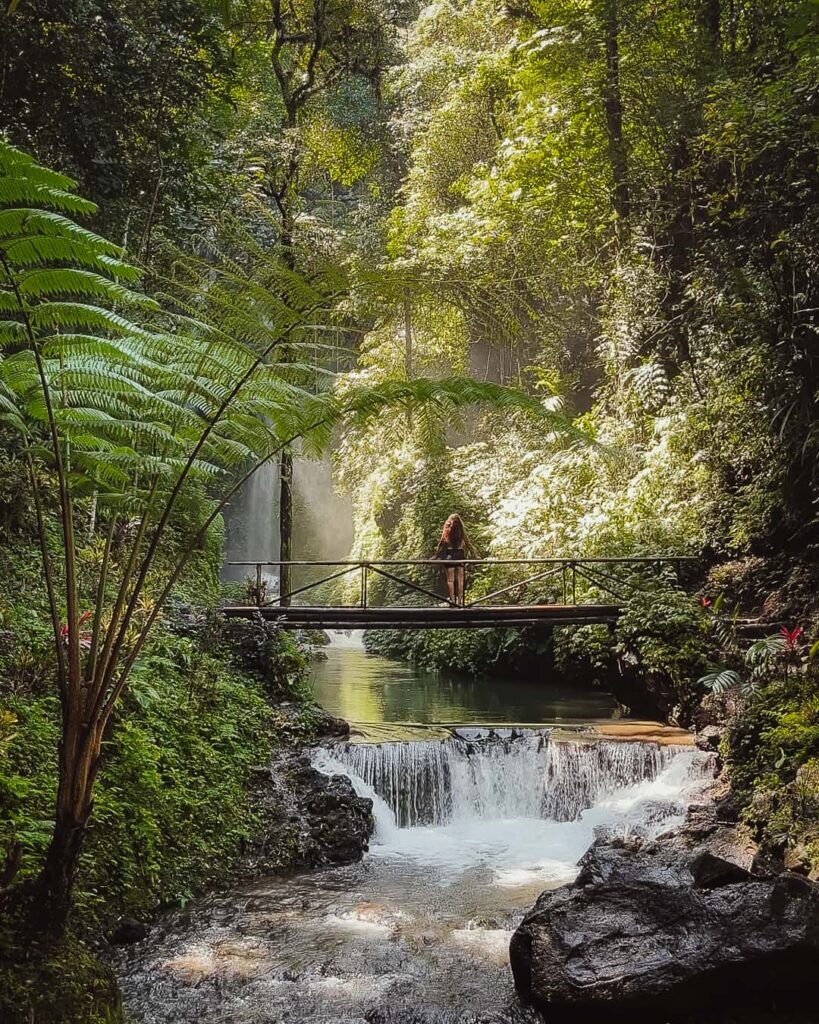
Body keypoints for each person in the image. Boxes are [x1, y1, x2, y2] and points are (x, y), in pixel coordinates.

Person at [433, 513, 480, 606]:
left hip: (450, 555)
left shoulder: (447, 529)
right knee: (460, 580)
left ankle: (452, 600)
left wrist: (436, 555)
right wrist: (475, 554)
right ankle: (460, 602)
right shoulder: (461, 531)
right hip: (459, 555)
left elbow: (441, 544)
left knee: (450, 580)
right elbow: (468, 543)